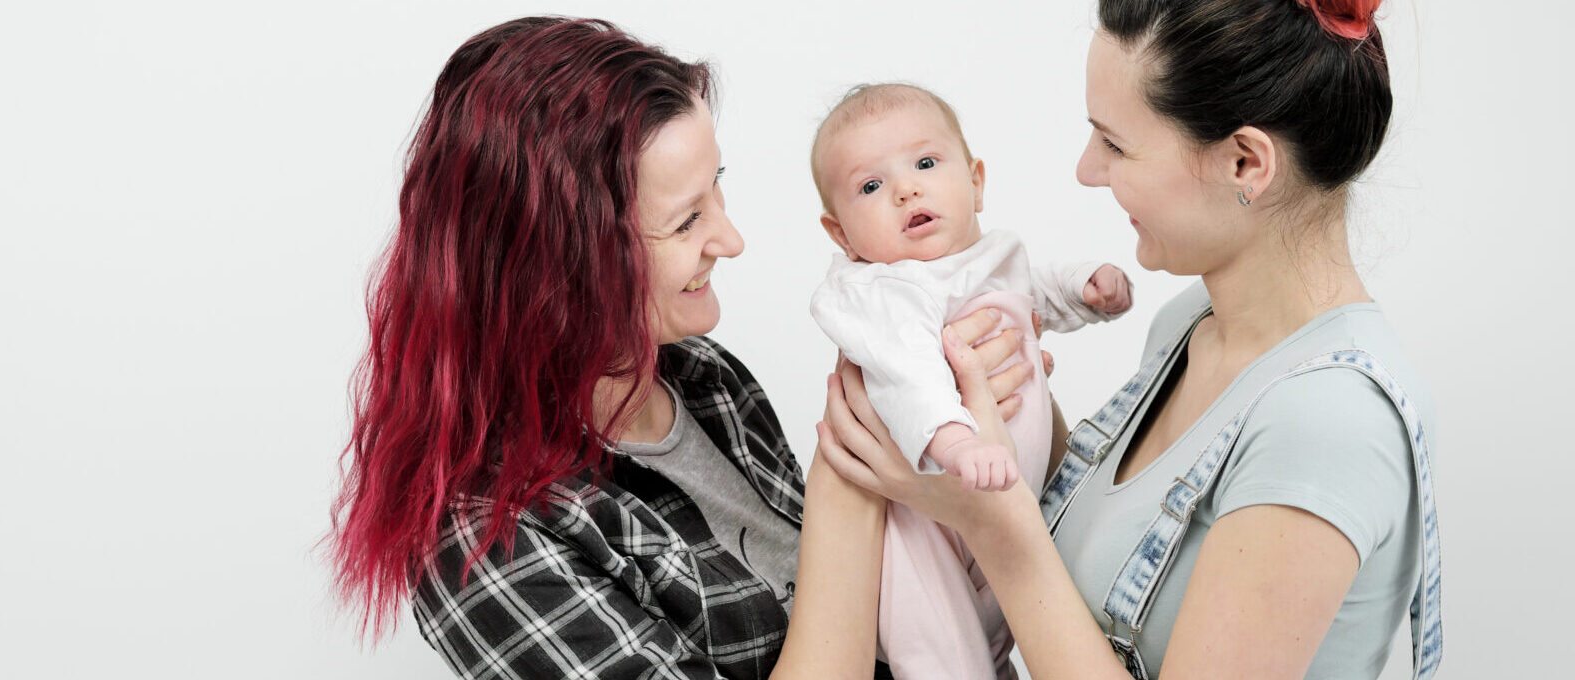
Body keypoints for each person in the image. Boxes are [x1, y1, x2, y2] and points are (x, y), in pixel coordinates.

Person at [327, 17, 1036, 680]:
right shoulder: (487, 545)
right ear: (559, 264)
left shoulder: (705, 380)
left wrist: (983, 391)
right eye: (688, 219)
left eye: (717, 189)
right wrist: (852, 472)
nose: (730, 240)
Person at [815, 1, 1441, 679]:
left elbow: (1017, 535)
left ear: (1244, 164)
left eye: (1114, 143)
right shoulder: (1190, 325)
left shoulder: (1329, 423)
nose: (1087, 169)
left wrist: (996, 528)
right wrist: (987, 383)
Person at [805, 82, 1132, 680]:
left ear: (976, 181)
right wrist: (957, 442)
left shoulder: (989, 256)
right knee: (941, 643)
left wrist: (1088, 288)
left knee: (1003, 637)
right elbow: (908, 372)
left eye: (926, 163)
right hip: (923, 510)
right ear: (841, 235)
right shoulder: (882, 292)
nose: (906, 189)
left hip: (1002, 505)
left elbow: (1032, 290)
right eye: (871, 186)